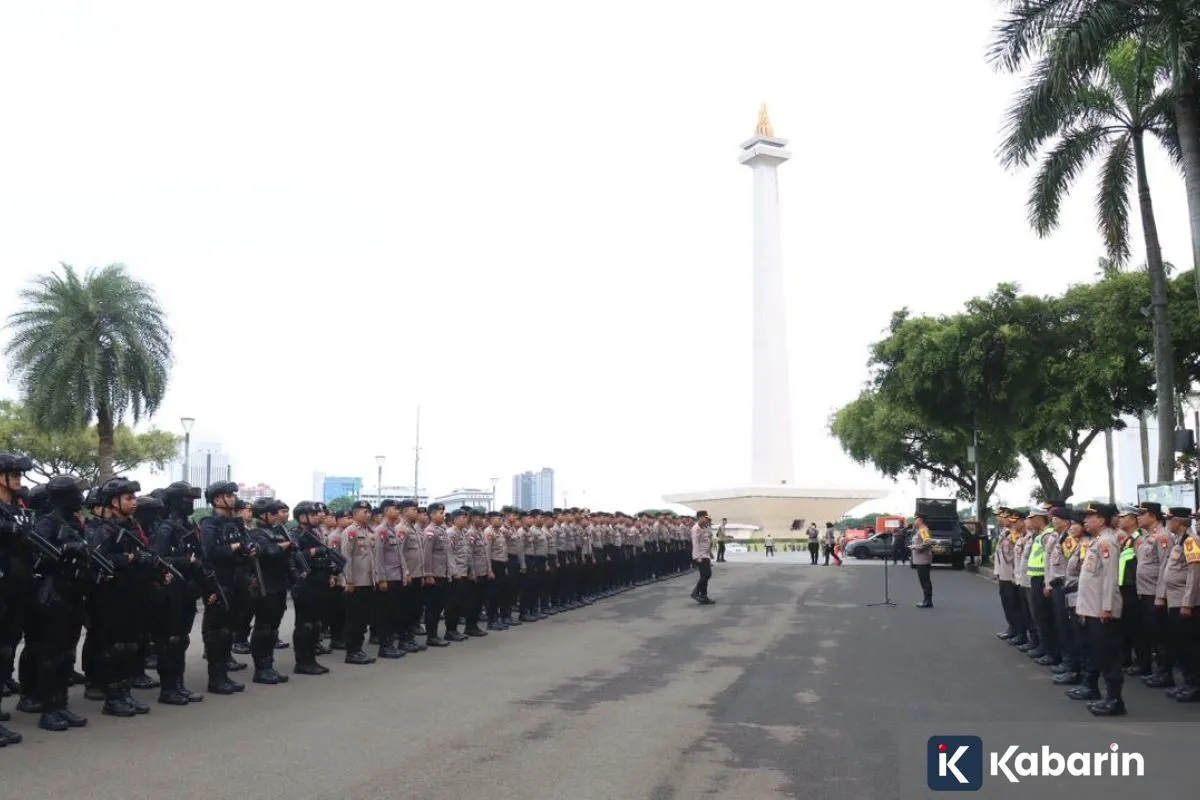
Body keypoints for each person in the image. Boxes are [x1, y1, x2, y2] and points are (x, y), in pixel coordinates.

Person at [1069, 502, 1124, 716]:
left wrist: (1107, 607)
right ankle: (1101, 693)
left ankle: (1115, 700)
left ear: (1101, 520)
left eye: (1089, 517)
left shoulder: (1107, 542)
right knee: (1098, 652)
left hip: (1102, 610)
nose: (1085, 521)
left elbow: (1110, 578)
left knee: (1109, 656)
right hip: (1092, 608)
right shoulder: (1097, 541)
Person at [340, 500, 378, 665]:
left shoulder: (370, 531)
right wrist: (349, 580)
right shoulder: (350, 531)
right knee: (354, 619)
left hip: (368, 581)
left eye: (369, 512)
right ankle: (352, 652)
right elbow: (346, 557)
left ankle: (358, 649)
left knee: (363, 619)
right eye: (364, 512)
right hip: (355, 582)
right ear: (355, 514)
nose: (368, 515)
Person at [690, 511, 714, 604]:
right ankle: (696, 592)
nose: (706, 519)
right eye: (705, 518)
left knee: (707, 575)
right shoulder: (696, 529)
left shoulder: (705, 527)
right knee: (705, 575)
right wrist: (697, 557)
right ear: (700, 518)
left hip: (706, 554)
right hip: (700, 555)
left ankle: (703, 595)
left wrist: (710, 552)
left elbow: (708, 540)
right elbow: (695, 543)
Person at [910, 514, 934, 608]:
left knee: (925, 581)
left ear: (920, 520)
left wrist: (916, 547)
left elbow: (927, 542)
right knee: (924, 581)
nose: (914, 522)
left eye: (915, 520)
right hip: (921, 559)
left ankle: (927, 601)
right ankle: (927, 600)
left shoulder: (923, 529)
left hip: (923, 559)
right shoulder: (919, 530)